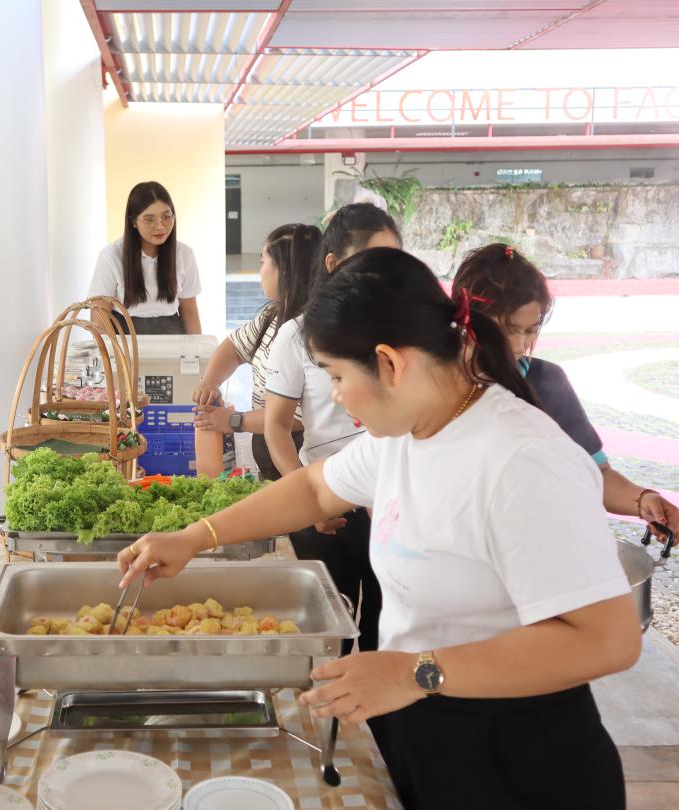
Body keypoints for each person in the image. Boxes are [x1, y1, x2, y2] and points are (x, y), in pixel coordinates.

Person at [119, 247, 641, 810]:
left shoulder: (522, 459)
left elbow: (607, 641)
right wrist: (196, 537)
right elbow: (314, 488)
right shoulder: (409, 432)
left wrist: (414, 673)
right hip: (431, 728)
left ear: (390, 363)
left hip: (520, 755)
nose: (336, 396)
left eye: (338, 376)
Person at [452, 242, 678, 537]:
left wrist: (644, 500)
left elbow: (596, 474)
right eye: (507, 329)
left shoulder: (547, 383)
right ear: (466, 317)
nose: (519, 346)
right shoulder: (430, 385)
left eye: (530, 330)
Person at [262, 203, 401, 652]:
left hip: (389, 503)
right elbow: (276, 427)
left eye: (392, 260)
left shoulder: (405, 335)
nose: (383, 275)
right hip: (327, 506)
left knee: (387, 631)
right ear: (332, 263)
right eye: (370, 261)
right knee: (330, 638)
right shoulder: (297, 335)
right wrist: (307, 502)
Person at [190, 223, 318, 479]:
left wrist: (233, 420)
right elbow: (234, 347)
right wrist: (210, 382)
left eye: (263, 262)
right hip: (268, 445)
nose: (260, 271)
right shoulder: (272, 315)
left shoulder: (308, 332)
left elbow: (294, 419)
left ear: (285, 270)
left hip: (297, 452)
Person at [89, 181, 201, 334]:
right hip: (125, 335)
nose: (160, 226)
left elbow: (190, 313)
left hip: (172, 333)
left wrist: (197, 347)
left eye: (166, 217)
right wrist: (108, 348)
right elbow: (99, 316)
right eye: (149, 219)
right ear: (133, 221)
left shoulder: (184, 254)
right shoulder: (111, 256)